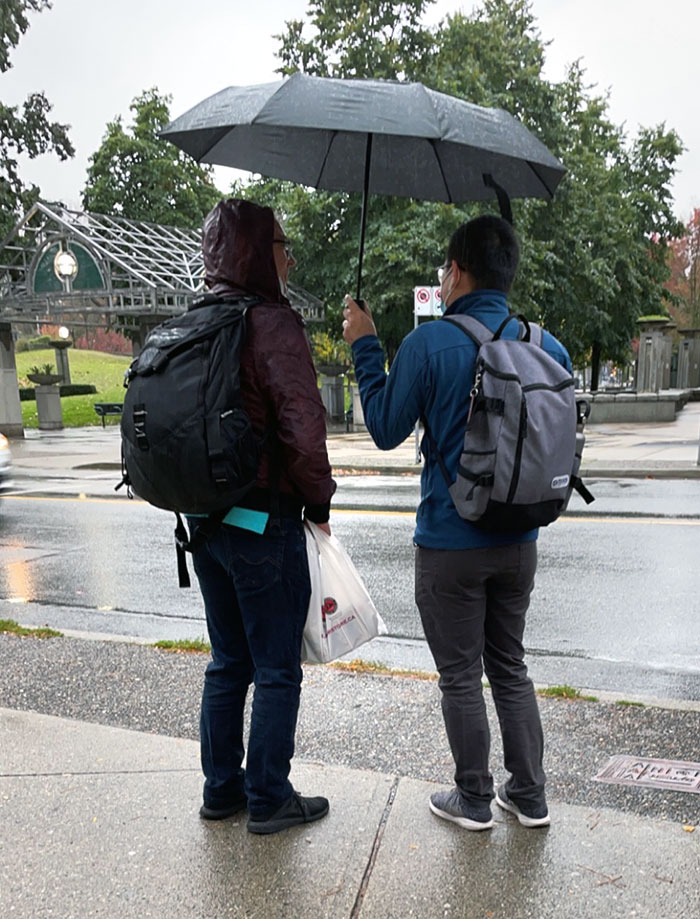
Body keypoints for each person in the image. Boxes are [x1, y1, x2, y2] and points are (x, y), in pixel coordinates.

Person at [342, 215, 571, 831]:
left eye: (445, 269)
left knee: (461, 676)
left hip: (451, 543)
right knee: (510, 666)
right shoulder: (548, 347)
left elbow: (387, 429)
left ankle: (472, 797)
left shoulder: (429, 345)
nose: (442, 281)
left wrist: (366, 343)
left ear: (460, 271)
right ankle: (529, 795)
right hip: (521, 537)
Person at [191, 198, 335, 835]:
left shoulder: (200, 318)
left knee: (228, 661)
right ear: (257, 249)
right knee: (277, 667)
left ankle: (221, 789)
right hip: (261, 519)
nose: (290, 255)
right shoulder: (272, 324)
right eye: (282, 242)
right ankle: (270, 796)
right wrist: (320, 503)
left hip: (206, 523)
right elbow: (303, 428)